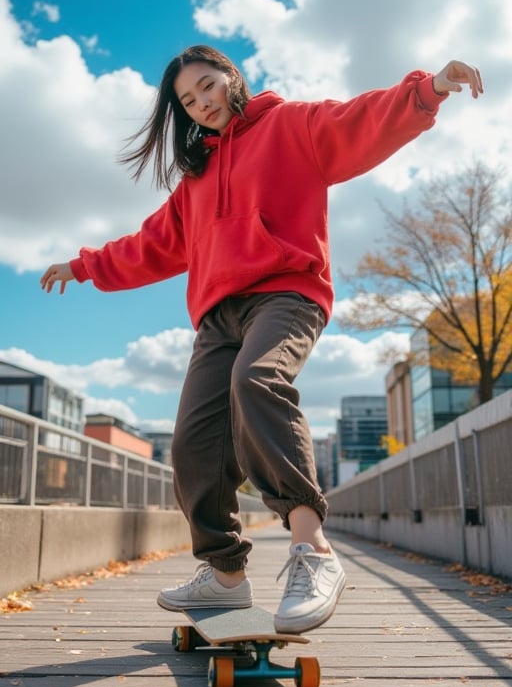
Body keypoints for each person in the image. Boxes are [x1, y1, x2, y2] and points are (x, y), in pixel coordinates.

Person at [40, 46, 483, 634]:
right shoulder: (195, 178)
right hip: (218, 316)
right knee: (192, 442)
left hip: (287, 295)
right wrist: (87, 265)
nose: (202, 104)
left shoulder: (290, 125)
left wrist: (428, 90)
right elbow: (151, 244)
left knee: (258, 380)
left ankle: (313, 550)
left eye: (208, 87)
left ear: (232, 76)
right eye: (188, 101)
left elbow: (359, 121)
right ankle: (224, 576)